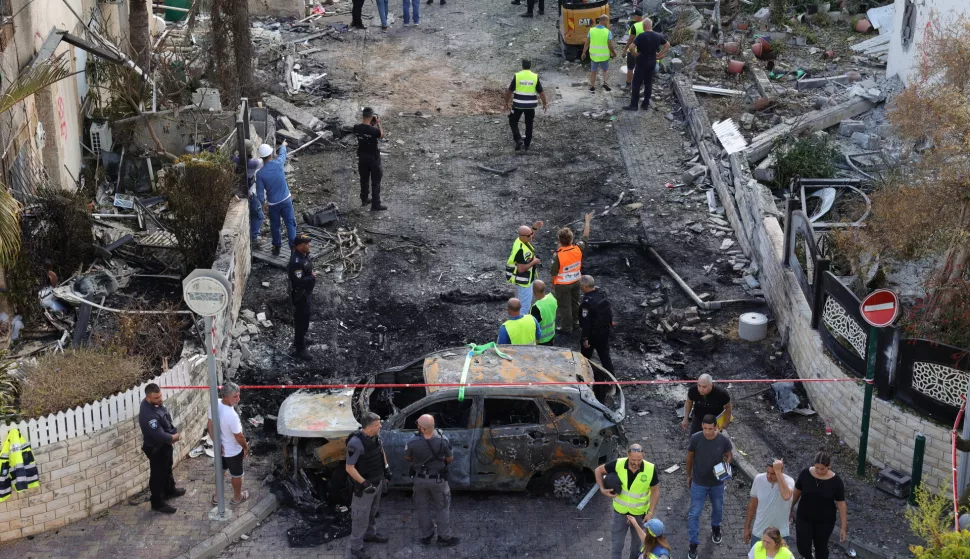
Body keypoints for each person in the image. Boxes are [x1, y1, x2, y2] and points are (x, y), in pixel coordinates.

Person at [594, 444, 660, 559]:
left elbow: (655, 491)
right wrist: (602, 488)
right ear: (628, 456)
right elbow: (598, 470)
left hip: (639, 515)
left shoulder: (650, 469)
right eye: (633, 460)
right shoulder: (618, 464)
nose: (636, 463)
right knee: (616, 546)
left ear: (643, 456)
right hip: (620, 513)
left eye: (639, 460)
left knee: (636, 547)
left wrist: (651, 513)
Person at [405, 414, 460, 547]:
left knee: (423, 509)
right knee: (442, 508)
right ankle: (444, 537)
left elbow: (407, 457)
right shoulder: (443, 439)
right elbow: (449, 458)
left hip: (420, 480)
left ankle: (426, 536)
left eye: (418, 425)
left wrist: (417, 463)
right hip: (438, 480)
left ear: (422, 429)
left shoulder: (412, 441)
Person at [685, 415, 733, 559]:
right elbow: (689, 457)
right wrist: (688, 475)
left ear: (716, 427)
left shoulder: (723, 440)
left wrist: (725, 467)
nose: (707, 432)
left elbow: (729, 455)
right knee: (694, 514)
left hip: (717, 484)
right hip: (699, 483)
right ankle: (693, 544)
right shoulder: (695, 438)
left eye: (710, 429)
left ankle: (716, 528)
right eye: (705, 428)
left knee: (718, 508)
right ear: (702, 427)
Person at [346, 412, 391, 559]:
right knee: (360, 517)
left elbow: (380, 450)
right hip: (364, 488)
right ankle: (356, 547)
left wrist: (386, 468)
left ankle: (370, 534)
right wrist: (364, 483)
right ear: (370, 427)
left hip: (377, 481)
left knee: (372, 512)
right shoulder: (355, 443)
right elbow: (349, 468)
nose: (380, 427)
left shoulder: (375, 437)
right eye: (378, 425)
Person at [790, 451, 848, 559]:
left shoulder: (836, 482)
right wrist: (790, 509)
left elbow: (841, 504)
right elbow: (796, 493)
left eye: (823, 469)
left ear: (829, 466)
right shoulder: (805, 474)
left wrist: (843, 527)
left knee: (821, 547)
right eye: (817, 468)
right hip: (804, 517)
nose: (819, 471)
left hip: (825, 521)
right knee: (802, 546)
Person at [139, 383, 184, 514]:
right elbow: (158, 434)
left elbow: (164, 417)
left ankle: (170, 490)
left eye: (160, 396)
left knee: (167, 467)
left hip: (164, 446)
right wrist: (173, 438)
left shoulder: (155, 404)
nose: (160, 399)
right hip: (156, 448)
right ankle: (157, 502)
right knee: (157, 475)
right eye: (156, 398)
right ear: (148, 398)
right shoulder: (149, 415)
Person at [207, 382, 249, 505]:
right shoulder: (232, 416)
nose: (238, 399)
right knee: (236, 475)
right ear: (226, 396)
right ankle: (237, 497)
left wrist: (217, 443)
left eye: (239, 395)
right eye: (235, 396)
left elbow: (210, 425)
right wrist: (245, 447)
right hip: (232, 451)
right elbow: (239, 436)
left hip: (220, 449)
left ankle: (217, 496)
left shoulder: (215, 404)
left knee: (221, 471)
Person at [551, 212, 592, 333]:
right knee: (575, 303)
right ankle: (576, 322)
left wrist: (552, 283)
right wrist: (587, 221)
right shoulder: (578, 248)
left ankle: (566, 328)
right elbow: (585, 237)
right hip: (576, 281)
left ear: (559, 240)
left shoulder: (558, 255)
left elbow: (553, 272)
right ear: (572, 239)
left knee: (565, 306)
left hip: (563, 285)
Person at [255, 142, 297, 256]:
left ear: (261, 157)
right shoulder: (278, 164)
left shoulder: (260, 174)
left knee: (275, 225)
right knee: (290, 223)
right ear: (270, 154)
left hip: (273, 204)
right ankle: (293, 248)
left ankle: (276, 247)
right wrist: (283, 145)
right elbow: (283, 154)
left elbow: (259, 193)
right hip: (286, 200)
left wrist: (262, 205)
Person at [744, 460, 794, 549]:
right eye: (768, 472)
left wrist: (778, 473)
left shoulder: (789, 481)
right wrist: (747, 527)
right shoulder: (759, 479)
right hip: (759, 533)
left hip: (780, 535)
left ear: (780, 471)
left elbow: (786, 496)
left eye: (773, 473)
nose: (769, 476)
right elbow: (753, 504)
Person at [624, 18, 670, 111]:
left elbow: (631, 47)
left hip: (641, 62)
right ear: (651, 25)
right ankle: (645, 104)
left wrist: (634, 54)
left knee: (636, 83)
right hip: (652, 62)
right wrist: (660, 54)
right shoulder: (658, 36)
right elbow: (667, 45)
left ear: (644, 26)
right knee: (648, 83)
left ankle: (634, 105)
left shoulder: (641, 36)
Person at [503, 59, 549, 152]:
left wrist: (506, 102)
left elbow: (509, 91)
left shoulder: (518, 76)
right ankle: (527, 144)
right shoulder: (535, 77)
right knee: (529, 124)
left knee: (513, 120)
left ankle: (518, 139)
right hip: (530, 106)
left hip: (518, 104)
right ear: (530, 66)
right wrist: (544, 104)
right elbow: (542, 93)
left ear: (522, 66)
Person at [287, 233, 316, 360]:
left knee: (306, 319)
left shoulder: (304, 256)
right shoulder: (296, 262)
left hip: (306, 293)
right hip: (300, 295)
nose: (308, 245)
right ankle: (300, 348)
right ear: (299, 246)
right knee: (300, 321)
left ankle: (302, 338)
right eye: (305, 244)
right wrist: (312, 277)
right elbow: (298, 281)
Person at [505, 220, 544, 310]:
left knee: (520, 300)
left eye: (531, 233)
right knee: (525, 306)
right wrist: (534, 261)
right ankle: (522, 321)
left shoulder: (521, 240)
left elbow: (528, 235)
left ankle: (517, 317)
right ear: (521, 236)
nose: (531, 236)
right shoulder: (520, 250)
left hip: (521, 278)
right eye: (529, 235)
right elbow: (521, 269)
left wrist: (534, 228)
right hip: (523, 280)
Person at [354, 107, 387, 211]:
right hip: (373, 158)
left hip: (362, 157)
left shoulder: (356, 128)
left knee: (364, 179)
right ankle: (376, 204)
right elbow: (381, 135)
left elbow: (366, 131)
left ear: (363, 116)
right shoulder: (374, 130)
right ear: (372, 116)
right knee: (376, 181)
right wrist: (379, 123)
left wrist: (371, 124)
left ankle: (364, 199)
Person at [579, 275, 614, 372]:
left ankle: (583, 375)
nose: (580, 288)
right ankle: (612, 379)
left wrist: (585, 338)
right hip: (605, 330)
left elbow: (586, 322)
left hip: (592, 334)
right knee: (604, 355)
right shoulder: (601, 293)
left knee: (584, 357)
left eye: (581, 286)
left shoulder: (587, 302)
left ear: (585, 286)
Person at [232, 143, 263, 248]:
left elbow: (233, 157)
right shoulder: (254, 163)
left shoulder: (236, 160)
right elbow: (265, 160)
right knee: (259, 215)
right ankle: (254, 238)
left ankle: (253, 234)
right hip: (248, 194)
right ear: (250, 151)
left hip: (237, 192)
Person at [582, 15, 616, 92]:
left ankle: (592, 87)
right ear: (603, 21)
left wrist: (583, 53)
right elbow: (610, 45)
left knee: (593, 71)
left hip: (594, 56)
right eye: (607, 21)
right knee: (605, 70)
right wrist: (614, 53)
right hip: (604, 56)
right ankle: (606, 83)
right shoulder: (608, 32)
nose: (607, 23)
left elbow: (587, 43)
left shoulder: (591, 31)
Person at [530, 280, 558, 346]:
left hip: (542, 340)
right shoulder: (552, 298)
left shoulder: (536, 307)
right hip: (552, 334)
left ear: (534, 291)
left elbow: (534, 326)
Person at [623, 11, 645, 90]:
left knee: (630, 68)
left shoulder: (635, 26)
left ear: (638, 16)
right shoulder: (647, 25)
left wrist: (625, 49)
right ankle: (640, 86)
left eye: (635, 16)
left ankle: (628, 85)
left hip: (633, 50)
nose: (634, 17)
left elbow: (630, 40)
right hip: (643, 51)